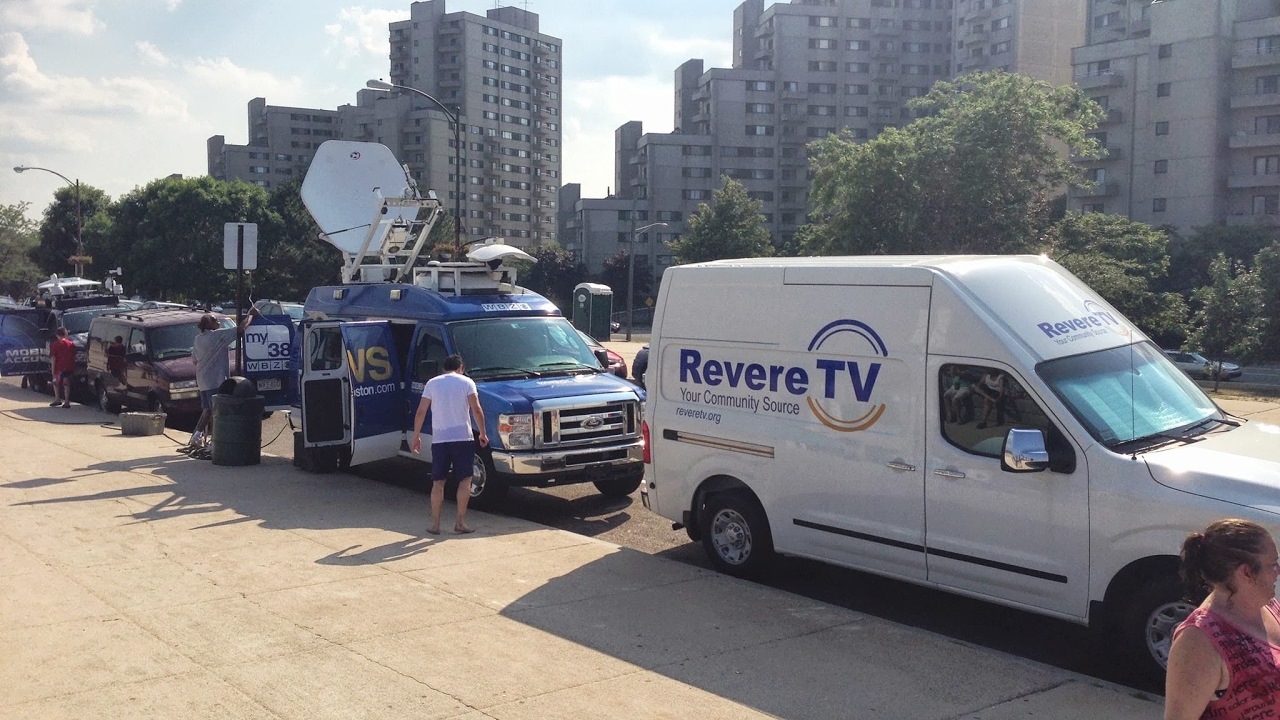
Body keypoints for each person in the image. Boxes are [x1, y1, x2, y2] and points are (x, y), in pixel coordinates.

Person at [1165, 519, 1280, 720]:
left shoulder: (1269, 606)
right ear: (1246, 572)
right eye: (1272, 565)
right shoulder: (1198, 642)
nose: (1277, 571)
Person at [410, 355, 489, 535]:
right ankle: (460, 522)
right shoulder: (467, 382)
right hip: (463, 438)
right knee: (465, 480)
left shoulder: (432, 383)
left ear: (444, 368)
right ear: (461, 367)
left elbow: (421, 411)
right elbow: (476, 409)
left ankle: (435, 524)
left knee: (438, 482)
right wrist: (483, 433)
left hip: (440, 439)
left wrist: (416, 436)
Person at [183, 309, 257, 458]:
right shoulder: (218, 336)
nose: (218, 321)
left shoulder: (198, 339)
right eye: (214, 320)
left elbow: (195, 360)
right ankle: (213, 441)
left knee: (208, 409)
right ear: (208, 325)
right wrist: (251, 315)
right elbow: (241, 328)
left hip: (203, 378)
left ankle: (196, 436)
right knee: (218, 411)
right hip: (216, 379)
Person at [48, 327, 76, 408]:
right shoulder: (71, 343)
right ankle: (67, 401)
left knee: (56, 383)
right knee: (66, 384)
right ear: (65, 334)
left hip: (58, 367)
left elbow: (53, 357)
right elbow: (74, 356)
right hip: (69, 367)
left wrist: (52, 369)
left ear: (57, 335)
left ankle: (57, 399)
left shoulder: (55, 344)